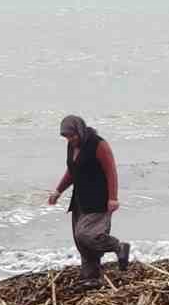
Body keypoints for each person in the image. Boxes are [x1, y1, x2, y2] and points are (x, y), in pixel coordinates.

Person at [47, 114, 129, 288]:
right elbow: (71, 172)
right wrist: (58, 191)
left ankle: (118, 246)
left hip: (99, 199)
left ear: (80, 130)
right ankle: (91, 276)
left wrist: (113, 198)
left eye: (72, 135)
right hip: (80, 199)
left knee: (86, 235)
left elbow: (111, 171)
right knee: (80, 242)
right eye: (66, 137)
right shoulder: (72, 146)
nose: (70, 139)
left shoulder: (98, 144)